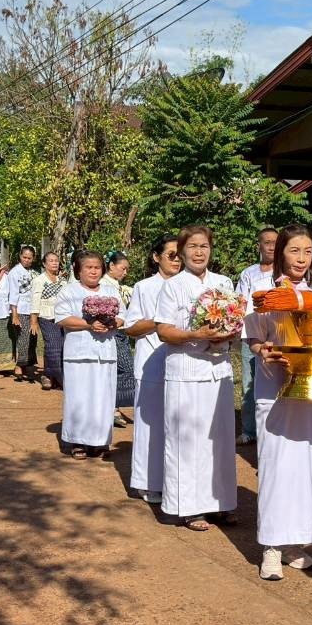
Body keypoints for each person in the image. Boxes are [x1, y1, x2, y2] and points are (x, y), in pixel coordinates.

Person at [245, 224, 312, 580]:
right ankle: (272, 547)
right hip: (274, 392)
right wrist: (265, 352)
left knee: (308, 469)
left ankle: (297, 543)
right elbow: (254, 339)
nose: (302, 259)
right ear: (280, 253)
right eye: (294, 251)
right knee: (277, 467)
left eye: (308, 252)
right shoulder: (263, 289)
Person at [153, 225, 240, 530]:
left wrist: (225, 336)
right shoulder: (173, 286)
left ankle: (221, 502)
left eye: (204, 246)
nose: (199, 252)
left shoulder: (224, 282)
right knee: (186, 441)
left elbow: (238, 321)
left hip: (218, 370)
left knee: (219, 440)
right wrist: (195, 334)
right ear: (182, 252)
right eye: (192, 247)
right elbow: (163, 330)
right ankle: (189, 507)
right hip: (186, 371)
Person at [121, 235, 180, 503]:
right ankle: (148, 481)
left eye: (180, 254)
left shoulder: (188, 285)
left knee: (178, 425)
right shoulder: (145, 287)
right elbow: (131, 328)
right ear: (156, 257)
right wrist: (159, 322)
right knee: (151, 423)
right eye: (171, 254)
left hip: (183, 362)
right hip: (152, 362)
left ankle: (175, 481)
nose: (177, 259)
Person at [54, 250, 123, 458]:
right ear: (78, 270)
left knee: (104, 398)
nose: (93, 271)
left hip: (105, 353)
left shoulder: (112, 291)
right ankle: (78, 442)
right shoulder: (68, 291)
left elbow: (124, 317)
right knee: (79, 398)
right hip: (78, 353)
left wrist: (111, 323)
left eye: (97, 267)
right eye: (89, 268)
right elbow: (62, 318)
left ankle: (101, 442)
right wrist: (89, 324)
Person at [235, 226, 279, 446]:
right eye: (267, 242)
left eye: (275, 242)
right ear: (259, 246)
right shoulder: (248, 273)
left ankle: (271, 431)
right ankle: (249, 430)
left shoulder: (283, 272)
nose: (271, 246)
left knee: (275, 383)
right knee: (249, 384)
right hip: (251, 334)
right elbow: (240, 302)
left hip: (276, 335)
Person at [103, 251, 135, 427]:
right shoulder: (103, 285)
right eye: (123, 268)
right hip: (111, 332)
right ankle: (112, 408)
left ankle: (113, 405)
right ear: (111, 266)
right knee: (121, 368)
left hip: (122, 332)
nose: (125, 273)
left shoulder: (120, 286)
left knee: (123, 369)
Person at [31, 251, 66, 391]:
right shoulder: (39, 281)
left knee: (62, 347)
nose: (54, 263)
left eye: (56, 260)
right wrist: (33, 321)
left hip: (62, 318)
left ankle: (49, 375)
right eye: (51, 261)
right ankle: (55, 376)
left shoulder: (62, 281)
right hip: (46, 317)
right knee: (53, 346)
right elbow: (34, 301)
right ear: (44, 264)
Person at [7, 245, 37, 383]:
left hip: (33, 310)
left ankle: (28, 364)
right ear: (20, 256)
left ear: (33, 259)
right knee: (23, 338)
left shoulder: (34, 273)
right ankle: (20, 365)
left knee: (32, 338)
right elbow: (13, 293)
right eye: (24, 257)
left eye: (29, 258)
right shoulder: (15, 272)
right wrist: (15, 314)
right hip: (20, 310)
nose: (26, 260)